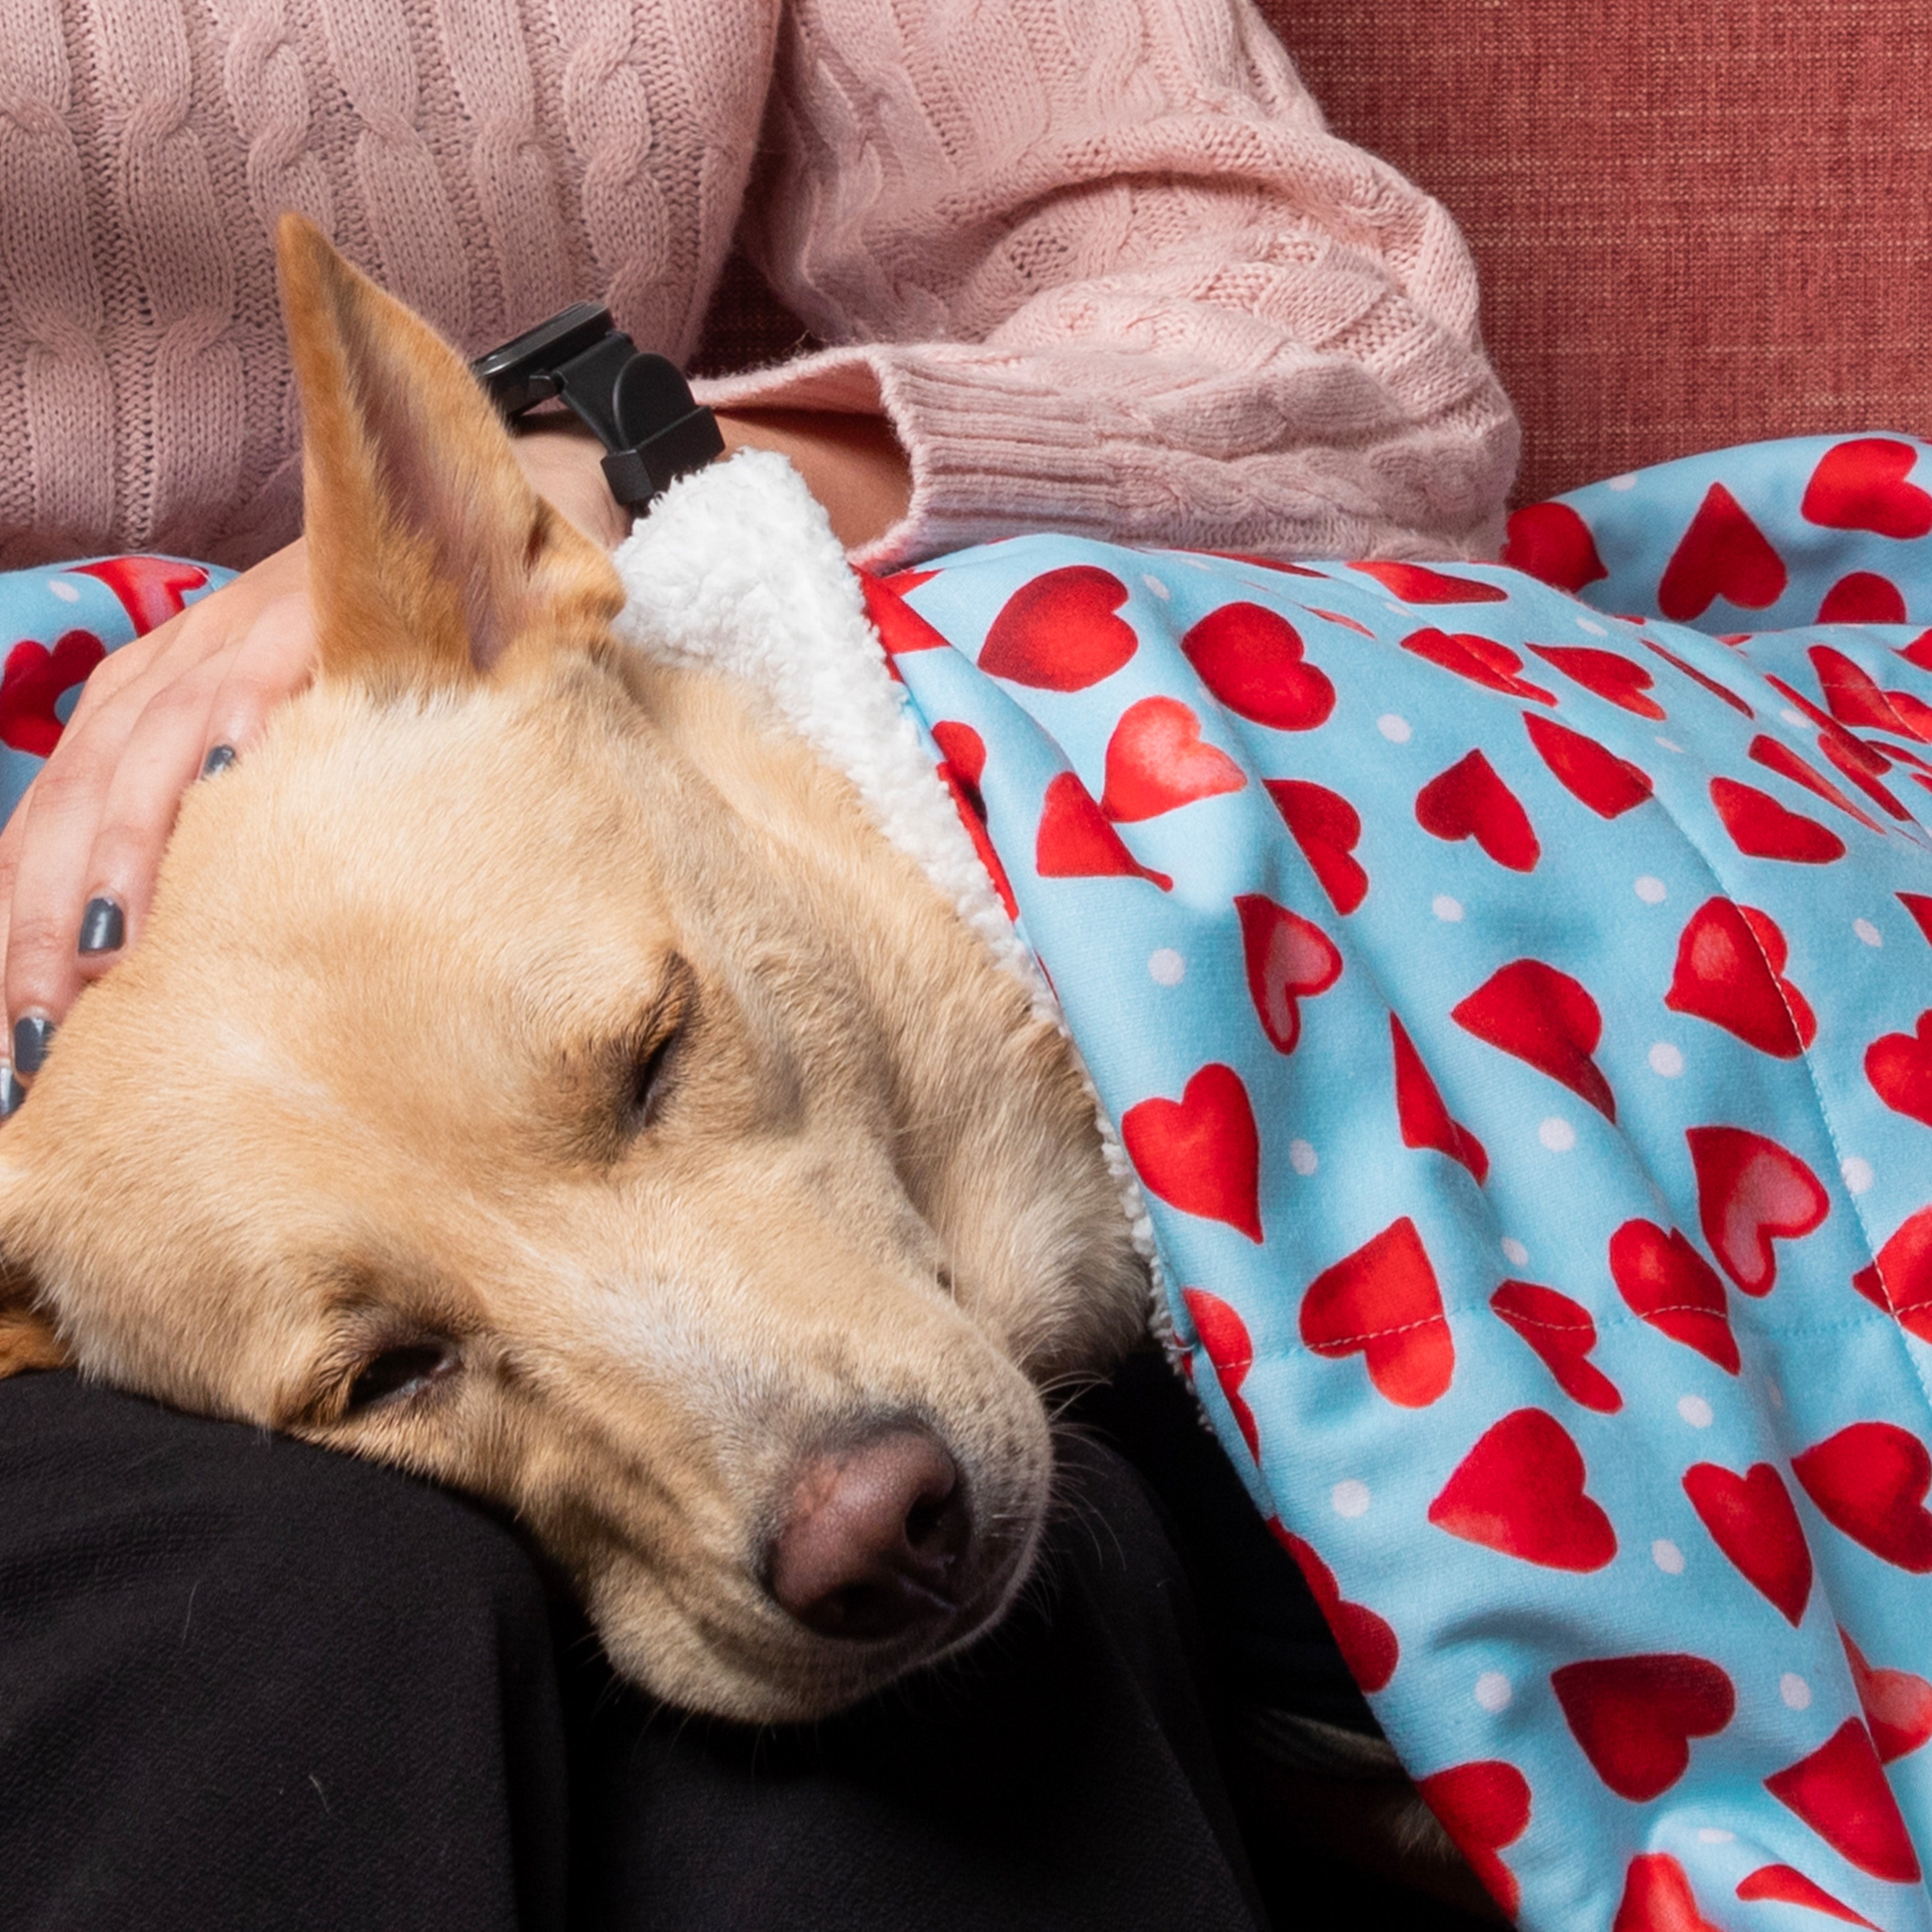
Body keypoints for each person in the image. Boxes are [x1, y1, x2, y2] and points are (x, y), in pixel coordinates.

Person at [0, 2, 1517, 1924]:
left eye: (643, 1069)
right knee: (299, 1622)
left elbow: (1342, 351)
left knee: (971, 1698)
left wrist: (596, 453)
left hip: (525, 780)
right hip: (93, 1266)